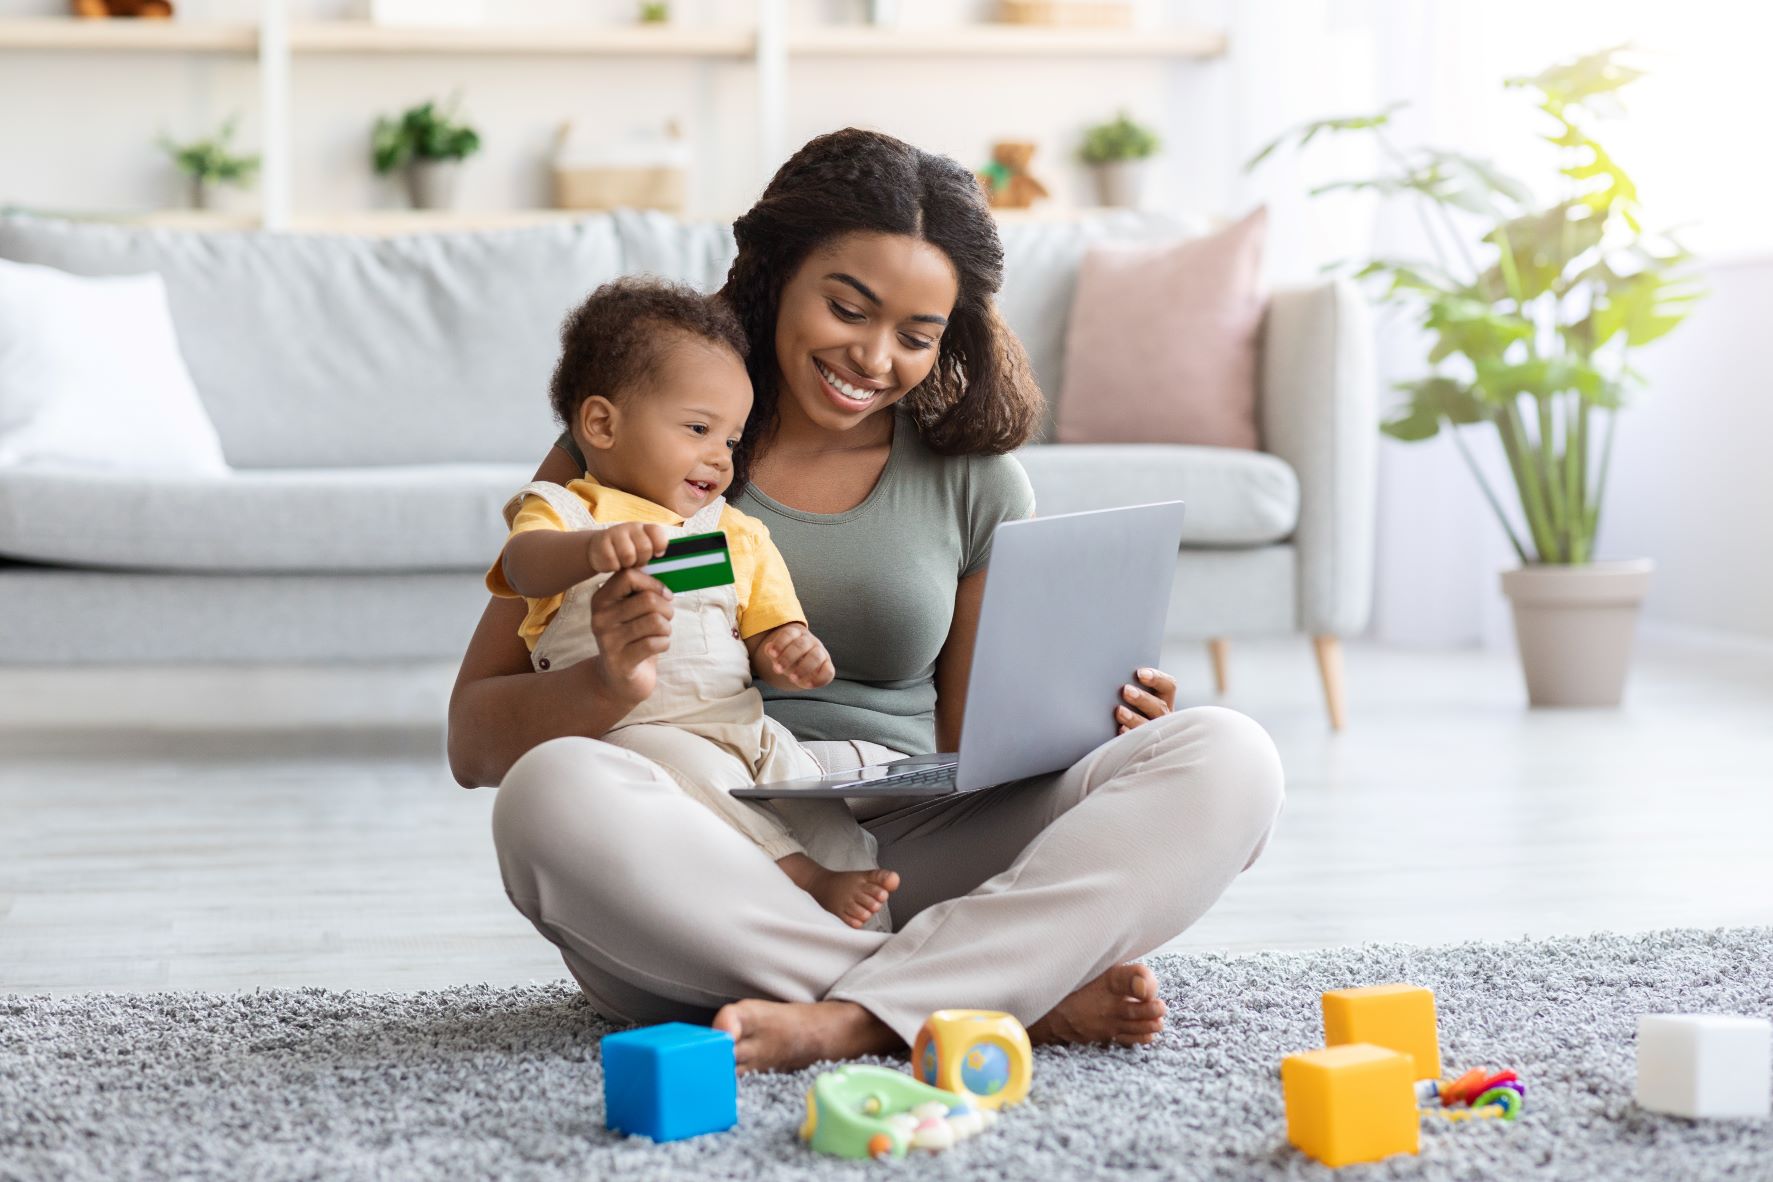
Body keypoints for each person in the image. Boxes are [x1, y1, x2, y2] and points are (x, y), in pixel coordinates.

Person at [449, 128, 1286, 1074]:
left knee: (1229, 756)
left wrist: (1100, 729)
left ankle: (854, 1016)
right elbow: (474, 742)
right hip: (710, 857)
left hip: (899, 839)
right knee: (546, 797)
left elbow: (984, 758)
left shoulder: (977, 481)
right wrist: (607, 684)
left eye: (916, 337)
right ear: (771, 273)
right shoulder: (640, 439)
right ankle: (980, 997)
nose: (874, 358)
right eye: (848, 308)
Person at [487, 277, 899, 930]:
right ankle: (803, 879)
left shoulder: (730, 532)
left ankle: (858, 912)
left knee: (808, 794)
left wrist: (789, 650)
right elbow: (521, 566)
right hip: (638, 734)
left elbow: (767, 629)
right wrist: (593, 550)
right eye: (699, 428)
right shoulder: (567, 510)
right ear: (601, 423)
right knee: (689, 775)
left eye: (731, 440)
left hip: (742, 724)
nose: (719, 456)